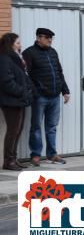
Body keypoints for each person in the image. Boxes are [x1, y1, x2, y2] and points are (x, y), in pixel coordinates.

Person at [23, 28, 70, 166]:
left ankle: (52, 155)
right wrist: (36, 92)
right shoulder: (29, 53)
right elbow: (26, 76)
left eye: (51, 38)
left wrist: (65, 91)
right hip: (40, 98)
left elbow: (59, 72)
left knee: (52, 127)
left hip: (55, 96)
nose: (50, 40)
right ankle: (36, 155)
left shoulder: (53, 52)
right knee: (36, 127)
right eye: (47, 37)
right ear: (39, 38)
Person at [0, 33, 33, 171]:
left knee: (18, 130)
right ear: (10, 43)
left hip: (19, 100)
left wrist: (30, 88)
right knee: (13, 131)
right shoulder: (4, 59)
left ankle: (14, 158)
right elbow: (6, 82)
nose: (20, 45)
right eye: (17, 43)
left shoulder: (15, 58)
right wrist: (22, 92)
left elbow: (22, 77)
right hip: (11, 101)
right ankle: (8, 161)